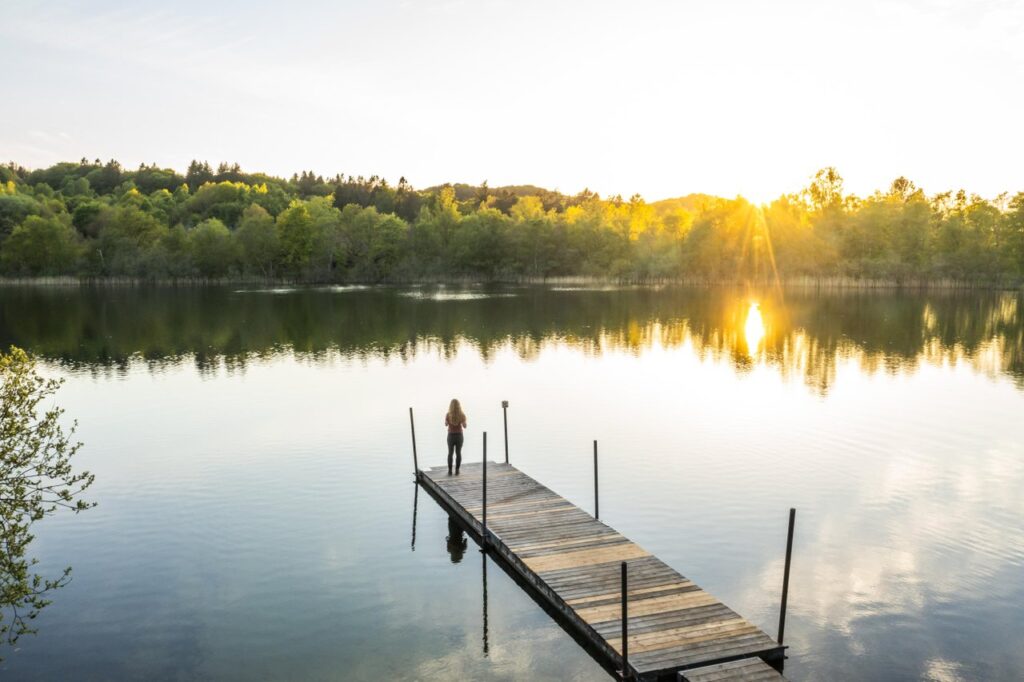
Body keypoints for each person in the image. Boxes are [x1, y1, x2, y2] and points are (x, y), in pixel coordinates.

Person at [445, 398, 467, 475]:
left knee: (450, 453)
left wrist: (448, 422)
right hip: (459, 436)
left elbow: (446, 424)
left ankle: (450, 470)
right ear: (459, 405)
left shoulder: (448, 414)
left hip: (451, 436)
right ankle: (457, 470)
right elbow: (465, 426)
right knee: (458, 453)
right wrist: (462, 422)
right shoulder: (462, 415)